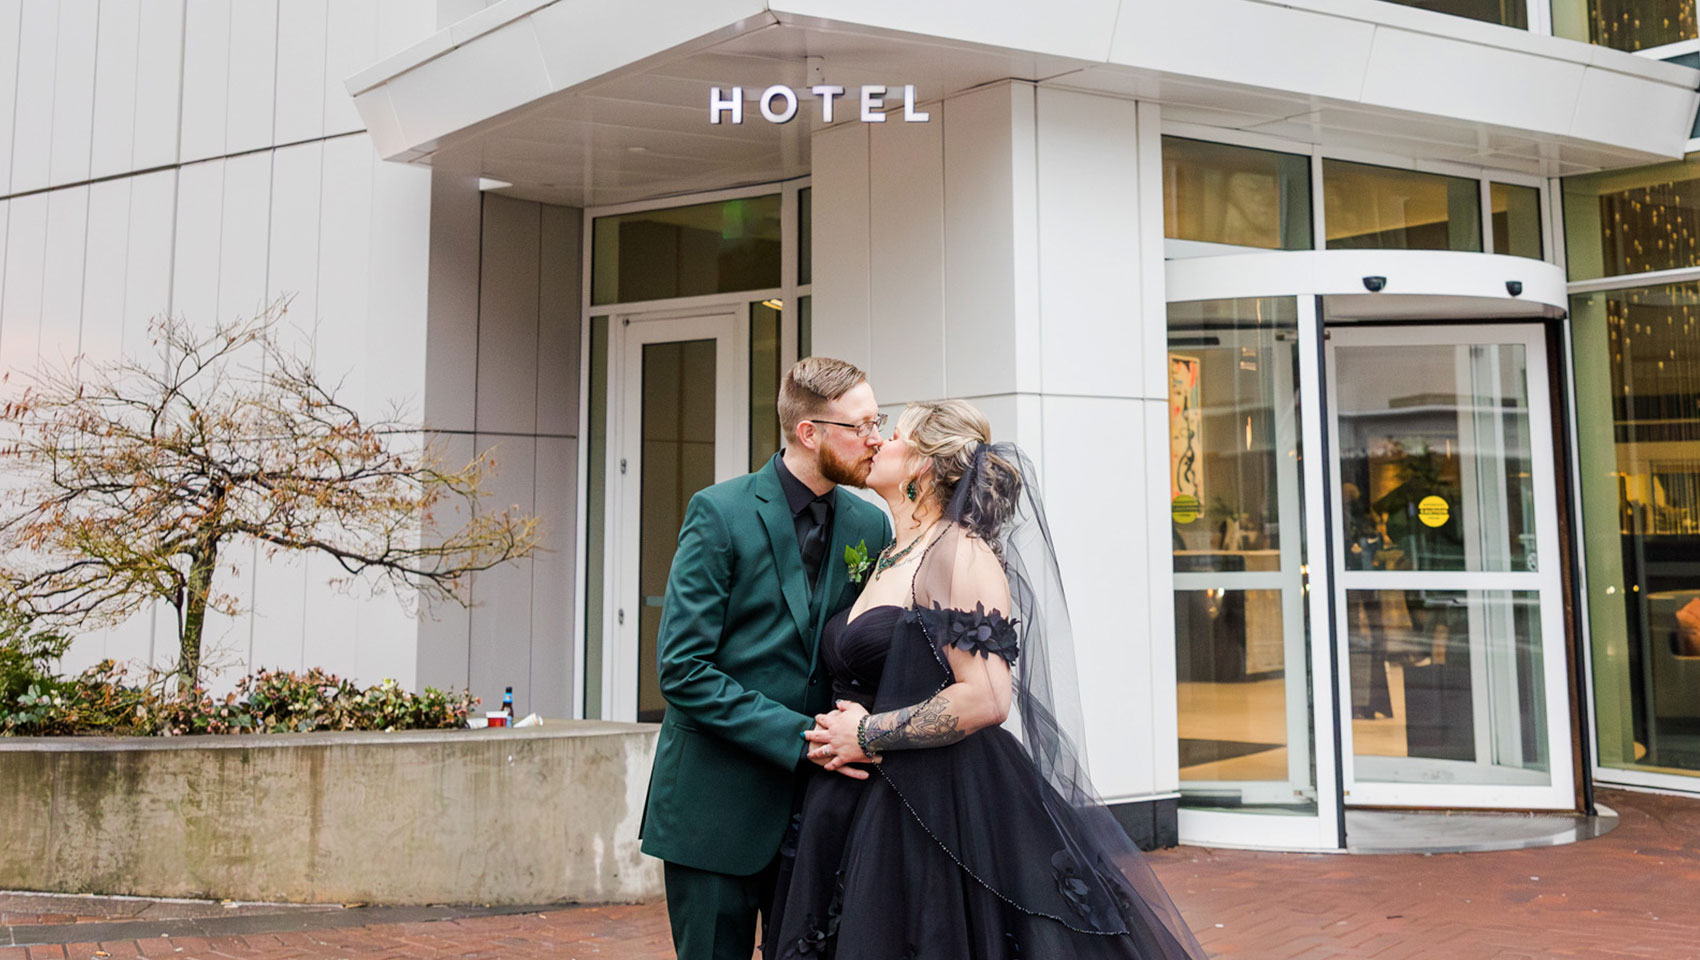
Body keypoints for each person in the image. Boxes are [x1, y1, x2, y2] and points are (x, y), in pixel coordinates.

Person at [770, 399, 1209, 960]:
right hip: (858, 802)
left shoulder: (960, 553)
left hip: (936, 803)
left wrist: (867, 733)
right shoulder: (888, 553)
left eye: (895, 434)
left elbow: (986, 695)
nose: (878, 441)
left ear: (924, 465)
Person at [640, 357, 895, 960]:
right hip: (714, 810)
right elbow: (682, 669)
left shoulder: (870, 524)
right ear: (810, 433)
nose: (876, 437)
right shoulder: (719, 512)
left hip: (821, 815)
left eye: (877, 421)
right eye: (861, 425)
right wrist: (804, 737)